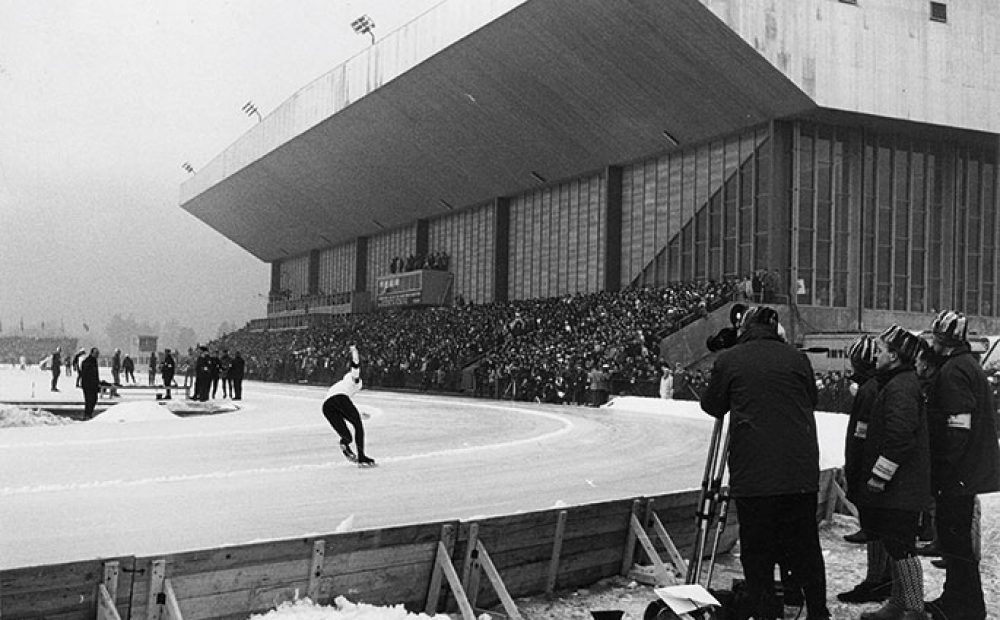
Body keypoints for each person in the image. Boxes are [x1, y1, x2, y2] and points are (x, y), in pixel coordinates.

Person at [700, 306, 829, 620]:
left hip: (754, 475)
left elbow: (713, 405)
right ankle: (817, 611)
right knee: (806, 546)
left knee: (758, 551)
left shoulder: (730, 359)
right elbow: (811, 399)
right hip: (799, 472)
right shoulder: (797, 358)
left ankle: (766, 612)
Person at [924, 310, 1000, 620]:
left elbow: (957, 426)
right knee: (957, 543)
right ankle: (957, 599)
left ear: (944, 340)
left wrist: (943, 467)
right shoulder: (967, 365)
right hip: (966, 472)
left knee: (955, 543)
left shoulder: (953, 371)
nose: (933, 344)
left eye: (936, 338)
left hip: (957, 474)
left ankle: (965, 607)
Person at [852, 326, 930, 620]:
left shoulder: (900, 388)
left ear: (895, 356)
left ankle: (914, 608)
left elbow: (900, 437)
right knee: (896, 545)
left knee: (902, 547)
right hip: (900, 486)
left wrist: (879, 475)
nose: (877, 356)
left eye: (882, 350)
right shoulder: (898, 383)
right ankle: (899, 604)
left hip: (901, 486)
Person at [838, 335, 893, 607]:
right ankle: (882, 578)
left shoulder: (869, 390)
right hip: (873, 464)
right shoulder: (876, 385)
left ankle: (876, 580)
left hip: (867, 465)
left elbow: (862, 433)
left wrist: (857, 470)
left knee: (875, 526)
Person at [322, 345, 375, 467]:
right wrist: (355, 351)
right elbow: (355, 364)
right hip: (340, 399)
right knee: (358, 426)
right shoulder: (354, 379)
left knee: (347, 436)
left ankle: (344, 443)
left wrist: (359, 414)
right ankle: (361, 457)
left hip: (327, 406)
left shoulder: (341, 384)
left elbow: (344, 409)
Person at [80, 347, 101, 420]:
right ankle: (87, 415)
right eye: (96, 353)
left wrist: (97, 382)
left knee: (93, 399)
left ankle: (88, 414)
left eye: (98, 353)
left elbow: (95, 373)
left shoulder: (94, 361)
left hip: (93, 384)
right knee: (89, 400)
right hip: (88, 384)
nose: (97, 355)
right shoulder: (87, 361)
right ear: (92, 353)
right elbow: (86, 373)